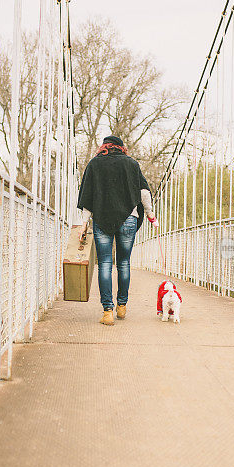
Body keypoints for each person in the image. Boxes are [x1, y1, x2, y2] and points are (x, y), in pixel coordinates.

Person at [77, 135, 158, 325]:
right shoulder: (131, 164)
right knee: (123, 263)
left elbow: (88, 197)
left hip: (102, 219)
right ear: (122, 148)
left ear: (103, 147)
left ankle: (107, 312)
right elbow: (144, 193)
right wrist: (150, 214)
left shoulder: (94, 165)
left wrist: (83, 224)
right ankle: (122, 306)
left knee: (105, 263)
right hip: (129, 219)